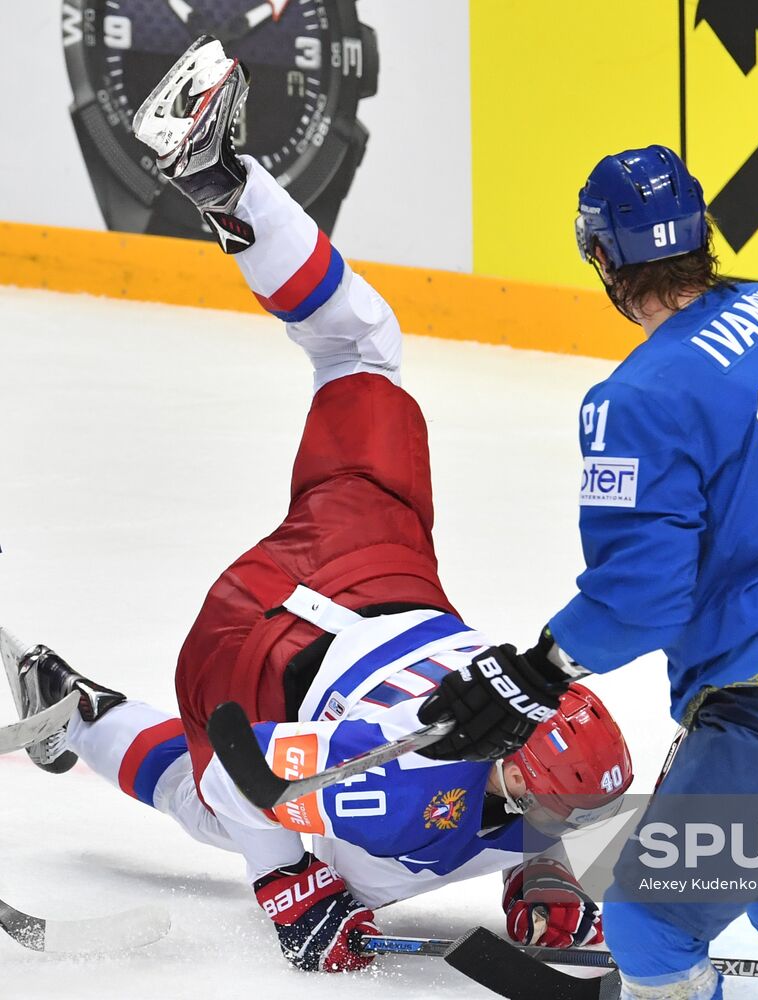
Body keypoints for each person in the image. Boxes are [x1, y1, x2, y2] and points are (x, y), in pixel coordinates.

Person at [1, 35, 632, 974]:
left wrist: (550, 879)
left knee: (361, 350)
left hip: (364, 556)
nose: (576, 825)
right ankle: (84, 714)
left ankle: (227, 181)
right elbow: (234, 763)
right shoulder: (398, 790)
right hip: (251, 647)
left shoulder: (548, 736)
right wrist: (290, 888)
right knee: (218, 808)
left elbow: (571, 807)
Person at [416, 145, 758, 999]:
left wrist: (541, 670)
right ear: (702, 234)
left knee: (650, 921)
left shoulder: (633, 401)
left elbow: (639, 598)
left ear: (599, 255)